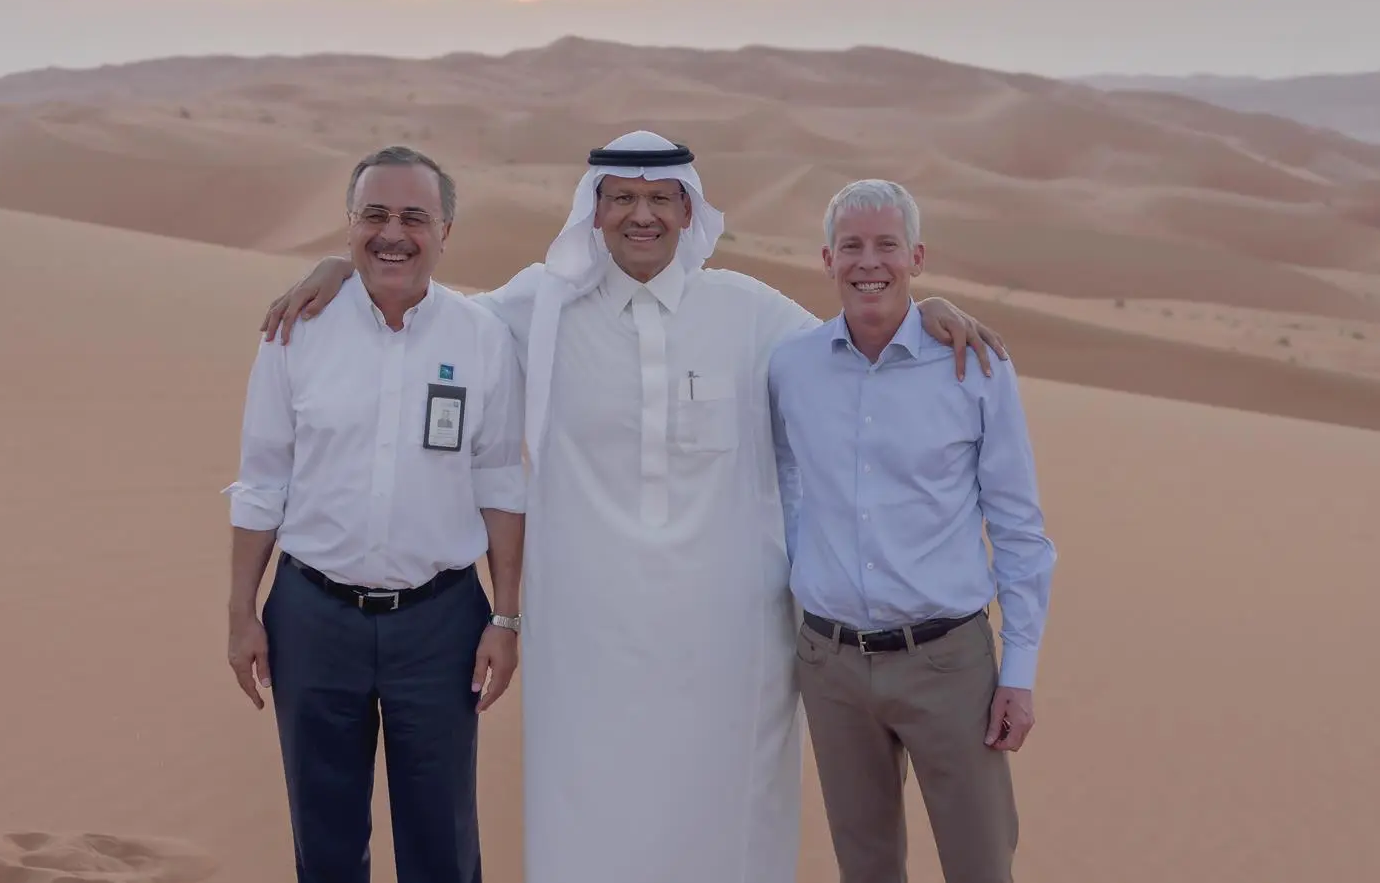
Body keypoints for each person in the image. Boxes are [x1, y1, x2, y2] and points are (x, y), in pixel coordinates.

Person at [257, 131, 1009, 883]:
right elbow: (432, 311)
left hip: (728, 645)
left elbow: (852, 349)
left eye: (658, 199)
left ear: (689, 210)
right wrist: (343, 272)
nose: (640, 215)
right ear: (594, 210)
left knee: (724, 829)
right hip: (587, 645)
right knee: (595, 825)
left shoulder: (747, 311)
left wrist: (924, 308)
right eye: (621, 197)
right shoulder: (543, 306)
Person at [224, 145, 527, 883]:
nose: (393, 233)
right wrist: (241, 612)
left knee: (442, 838)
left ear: (445, 230)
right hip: (312, 615)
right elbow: (262, 479)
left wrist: (506, 617)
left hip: (442, 622)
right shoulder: (296, 329)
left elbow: (500, 481)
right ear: (350, 224)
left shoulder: (484, 336)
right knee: (324, 834)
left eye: (415, 217)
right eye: (375, 215)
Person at [767, 179, 1057, 883]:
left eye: (887, 245)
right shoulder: (790, 366)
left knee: (981, 867)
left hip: (947, 663)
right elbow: (780, 479)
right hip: (831, 665)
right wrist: (811, 568)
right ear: (827, 259)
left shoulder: (975, 366)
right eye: (852, 246)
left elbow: (1018, 525)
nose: (869, 262)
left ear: (916, 257)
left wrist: (1019, 672)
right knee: (864, 868)